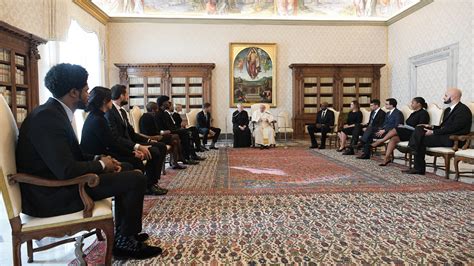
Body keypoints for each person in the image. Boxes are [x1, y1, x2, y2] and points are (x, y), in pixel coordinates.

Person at [16, 63, 162, 259]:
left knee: (127, 167)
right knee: (135, 179)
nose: (88, 94)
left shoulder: (53, 113)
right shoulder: (47, 118)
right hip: (52, 195)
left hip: (60, 186)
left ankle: (126, 234)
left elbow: (70, 156)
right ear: (74, 92)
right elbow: (66, 169)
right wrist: (102, 165)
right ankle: (125, 243)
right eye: (86, 90)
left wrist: (100, 159)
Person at [105, 84, 168, 196]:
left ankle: (153, 182)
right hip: (123, 146)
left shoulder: (123, 112)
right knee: (154, 151)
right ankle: (149, 185)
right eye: (127, 94)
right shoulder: (110, 112)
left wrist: (148, 141)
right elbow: (116, 138)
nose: (128, 97)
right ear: (121, 96)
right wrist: (137, 147)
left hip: (131, 142)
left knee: (160, 146)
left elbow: (132, 133)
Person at [81, 86, 149, 173]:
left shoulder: (96, 115)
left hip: (102, 153)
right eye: (110, 100)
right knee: (135, 162)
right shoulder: (99, 119)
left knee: (133, 160)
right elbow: (112, 144)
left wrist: (132, 152)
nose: (112, 103)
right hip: (97, 157)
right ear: (105, 101)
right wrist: (132, 153)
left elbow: (111, 143)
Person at [405, 88, 472, 175]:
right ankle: (414, 150)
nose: (443, 97)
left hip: (454, 139)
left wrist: (433, 132)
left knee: (420, 140)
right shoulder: (448, 110)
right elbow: (443, 127)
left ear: (453, 97)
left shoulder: (463, 110)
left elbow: (454, 128)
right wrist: (432, 127)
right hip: (444, 136)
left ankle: (416, 161)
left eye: (446, 96)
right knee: (419, 128)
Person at [371, 97, 430, 166]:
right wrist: (404, 126)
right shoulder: (414, 113)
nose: (411, 104)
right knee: (393, 139)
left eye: (413, 103)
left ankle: (381, 140)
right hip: (407, 132)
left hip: (415, 134)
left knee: (396, 128)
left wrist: (406, 127)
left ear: (419, 104)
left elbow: (420, 127)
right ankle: (386, 158)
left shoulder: (424, 113)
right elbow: (408, 123)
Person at [155, 96, 203, 164]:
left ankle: (191, 155)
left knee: (189, 131)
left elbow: (172, 125)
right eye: (167, 101)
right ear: (163, 103)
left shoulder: (164, 113)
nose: (169, 103)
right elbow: (162, 128)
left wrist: (178, 128)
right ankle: (186, 157)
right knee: (185, 132)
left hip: (171, 129)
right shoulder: (159, 114)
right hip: (166, 132)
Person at [139, 102, 186, 170]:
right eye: (157, 109)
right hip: (151, 137)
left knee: (175, 142)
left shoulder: (148, 116)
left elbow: (154, 130)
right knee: (175, 136)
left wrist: (162, 133)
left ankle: (175, 163)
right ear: (153, 110)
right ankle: (180, 157)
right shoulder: (148, 117)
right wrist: (162, 133)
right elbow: (151, 132)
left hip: (155, 135)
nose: (158, 111)